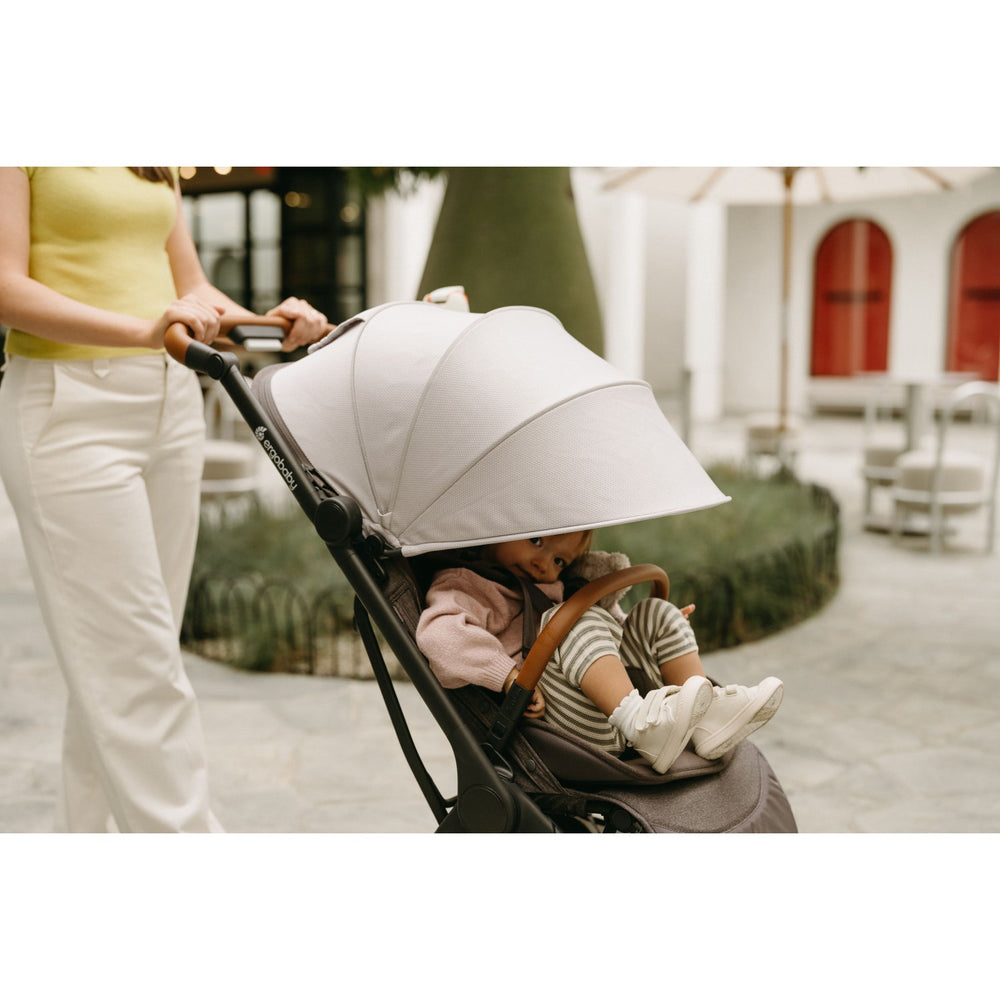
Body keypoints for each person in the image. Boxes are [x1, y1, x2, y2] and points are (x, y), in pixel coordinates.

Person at [0, 166, 329, 832]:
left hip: (170, 403)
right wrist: (144, 331)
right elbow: (6, 287)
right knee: (135, 669)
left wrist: (269, 324)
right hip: (71, 412)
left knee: (119, 664)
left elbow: (191, 289)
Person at [416, 530, 783, 774]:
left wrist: (657, 634)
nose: (543, 563)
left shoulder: (555, 587)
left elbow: (602, 636)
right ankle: (641, 725)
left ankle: (706, 720)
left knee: (654, 612)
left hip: (603, 703)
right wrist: (507, 675)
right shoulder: (468, 585)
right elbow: (440, 636)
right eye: (536, 540)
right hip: (560, 726)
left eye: (559, 561)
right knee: (568, 618)